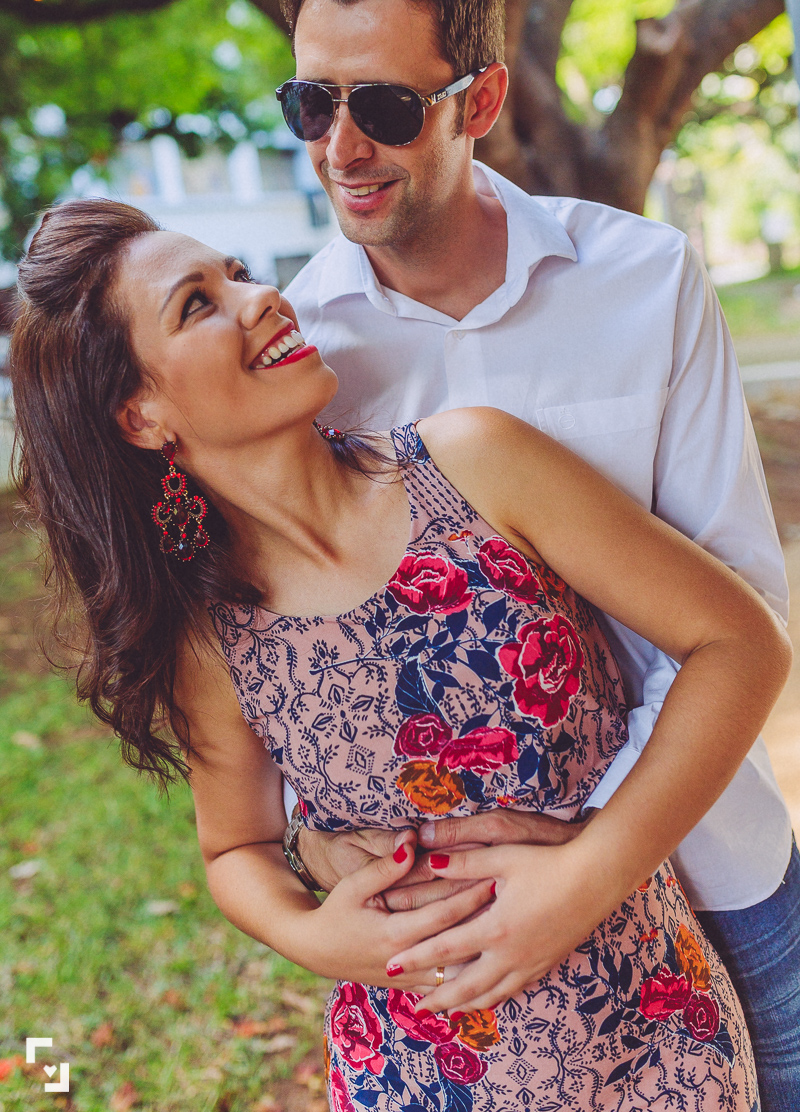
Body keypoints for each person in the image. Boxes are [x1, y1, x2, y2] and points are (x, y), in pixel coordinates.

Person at [11, 199, 791, 1109]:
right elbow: (237, 848)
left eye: (238, 273)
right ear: (140, 416)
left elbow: (741, 642)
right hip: (413, 1073)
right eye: (198, 303)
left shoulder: (476, 463)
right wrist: (316, 940)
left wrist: (593, 874)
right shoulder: (210, 632)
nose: (262, 298)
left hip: (650, 1033)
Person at [272, 0, 800, 1103]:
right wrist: (317, 836)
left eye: (385, 109)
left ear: (480, 99)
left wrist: (591, 860)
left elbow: (739, 618)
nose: (340, 148)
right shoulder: (298, 355)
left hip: (713, 867)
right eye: (311, 104)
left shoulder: (645, 280)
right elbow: (301, 644)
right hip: (474, 935)